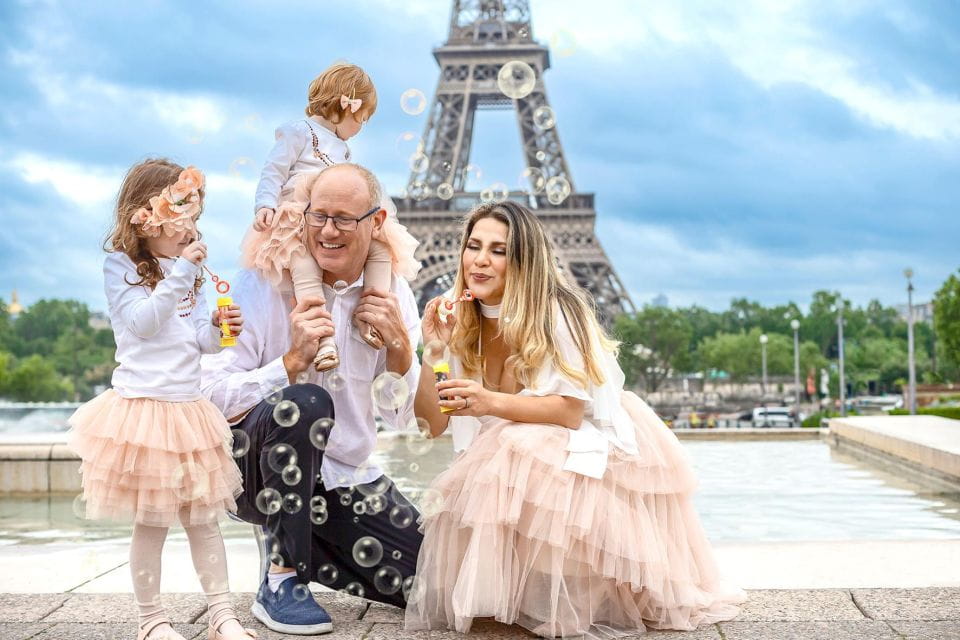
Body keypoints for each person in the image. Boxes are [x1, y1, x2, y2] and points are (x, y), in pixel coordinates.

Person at [405, 201, 744, 638]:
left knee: (513, 445)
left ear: (524, 259)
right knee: (500, 451)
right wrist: (433, 351)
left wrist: (488, 401)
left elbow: (568, 410)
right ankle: (529, 593)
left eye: (499, 250)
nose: (481, 260)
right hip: (513, 454)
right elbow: (431, 424)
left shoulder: (558, 310)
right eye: (473, 246)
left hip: (578, 443)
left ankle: (566, 593)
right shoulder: (459, 317)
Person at [202, 163, 423, 636]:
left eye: (344, 218)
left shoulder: (393, 294)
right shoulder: (260, 285)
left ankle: (308, 539)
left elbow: (401, 418)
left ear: (376, 223)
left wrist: (401, 350)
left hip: (347, 476)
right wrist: (288, 362)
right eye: (318, 215)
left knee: (432, 581)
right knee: (303, 403)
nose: (328, 230)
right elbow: (205, 395)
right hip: (255, 466)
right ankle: (282, 575)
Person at [68, 159, 253, 640]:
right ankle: (150, 619)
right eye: (179, 215)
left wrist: (218, 332)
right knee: (152, 523)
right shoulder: (122, 267)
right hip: (144, 410)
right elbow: (145, 323)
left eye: (194, 215)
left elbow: (196, 340)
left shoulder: (187, 271)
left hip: (188, 409)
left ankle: (221, 614)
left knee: (203, 520)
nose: (189, 227)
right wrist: (180, 274)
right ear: (144, 217)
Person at [241, 62, 418, 371]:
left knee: (380, 250)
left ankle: (372, 316)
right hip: (300, 217)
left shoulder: (343, 149)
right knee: (303, 264)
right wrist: (265, 205)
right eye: (362, 119)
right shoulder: (299, 131)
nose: (361, 127)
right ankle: (323, 339)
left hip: (333, 215)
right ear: (347, 106)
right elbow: (273, 171)